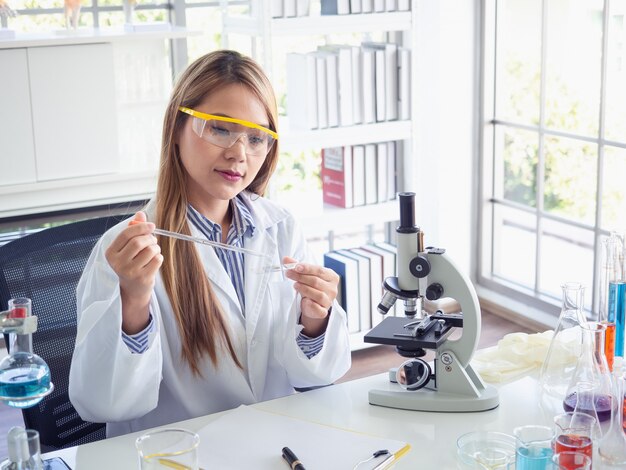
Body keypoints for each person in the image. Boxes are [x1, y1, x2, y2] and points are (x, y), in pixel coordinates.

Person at [69, 50, 351, 437]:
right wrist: (133, 301)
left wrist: (315, 320)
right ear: (177, 128)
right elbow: (103, 404)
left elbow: (315, 378)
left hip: (276, 445)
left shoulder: (281, 228)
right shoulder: (124, 249)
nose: (239, 153)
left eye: (256, 138)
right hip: (180, 454)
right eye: (220, 128)